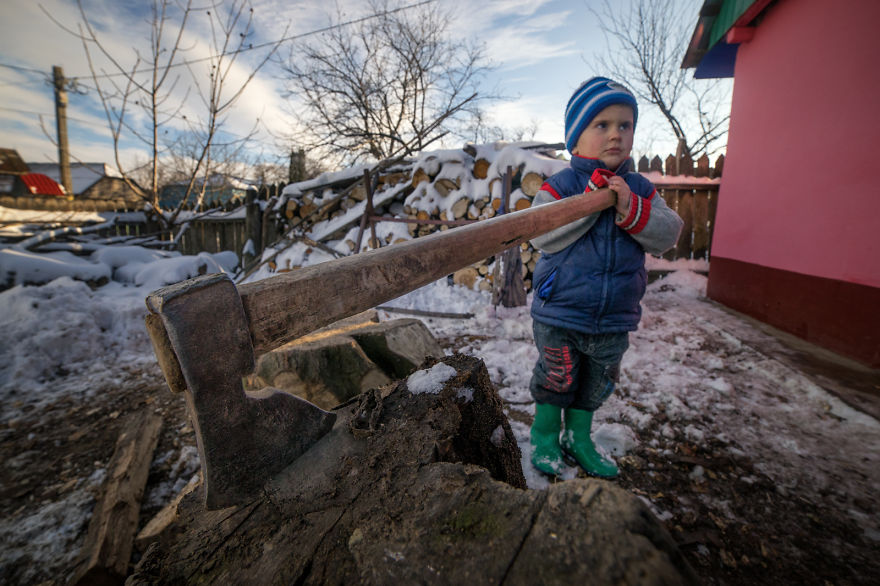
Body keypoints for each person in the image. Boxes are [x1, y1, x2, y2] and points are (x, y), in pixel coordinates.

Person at [528, 77, 683, 478]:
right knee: (556, 378)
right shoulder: (561, 185)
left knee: (596, 385)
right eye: (602, 124)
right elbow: (540, 233)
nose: (616, 134)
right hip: (560, 312)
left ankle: (577, 438)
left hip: (614, 317)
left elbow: (668, 234)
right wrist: (591, 202)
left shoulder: (640, 188)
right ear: (575, 139)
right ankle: (544, 437)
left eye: (625, 125)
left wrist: (629, 206)